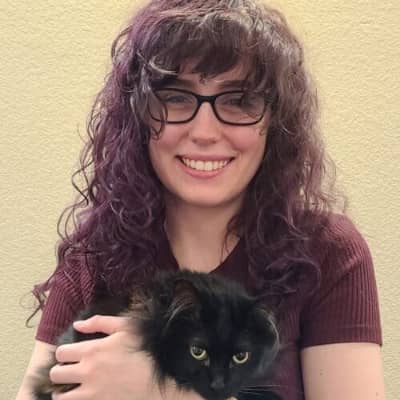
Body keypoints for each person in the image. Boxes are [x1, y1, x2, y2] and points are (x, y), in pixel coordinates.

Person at [17, 1, 385, 399]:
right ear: (139, 116)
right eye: (176, 97)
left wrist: (166, 391)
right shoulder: (93, 256)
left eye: (239, 100)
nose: (205, 132)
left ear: (275, 121)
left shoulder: (328, 252)